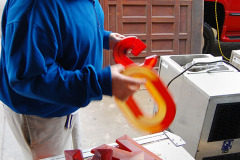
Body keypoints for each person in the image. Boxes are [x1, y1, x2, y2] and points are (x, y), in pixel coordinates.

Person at [0, 0, 145, 159]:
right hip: (41, 114)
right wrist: (98, 82)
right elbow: (29, 77)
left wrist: (104, 37)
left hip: (68, 99)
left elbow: (68, 26)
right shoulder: (34, 7)